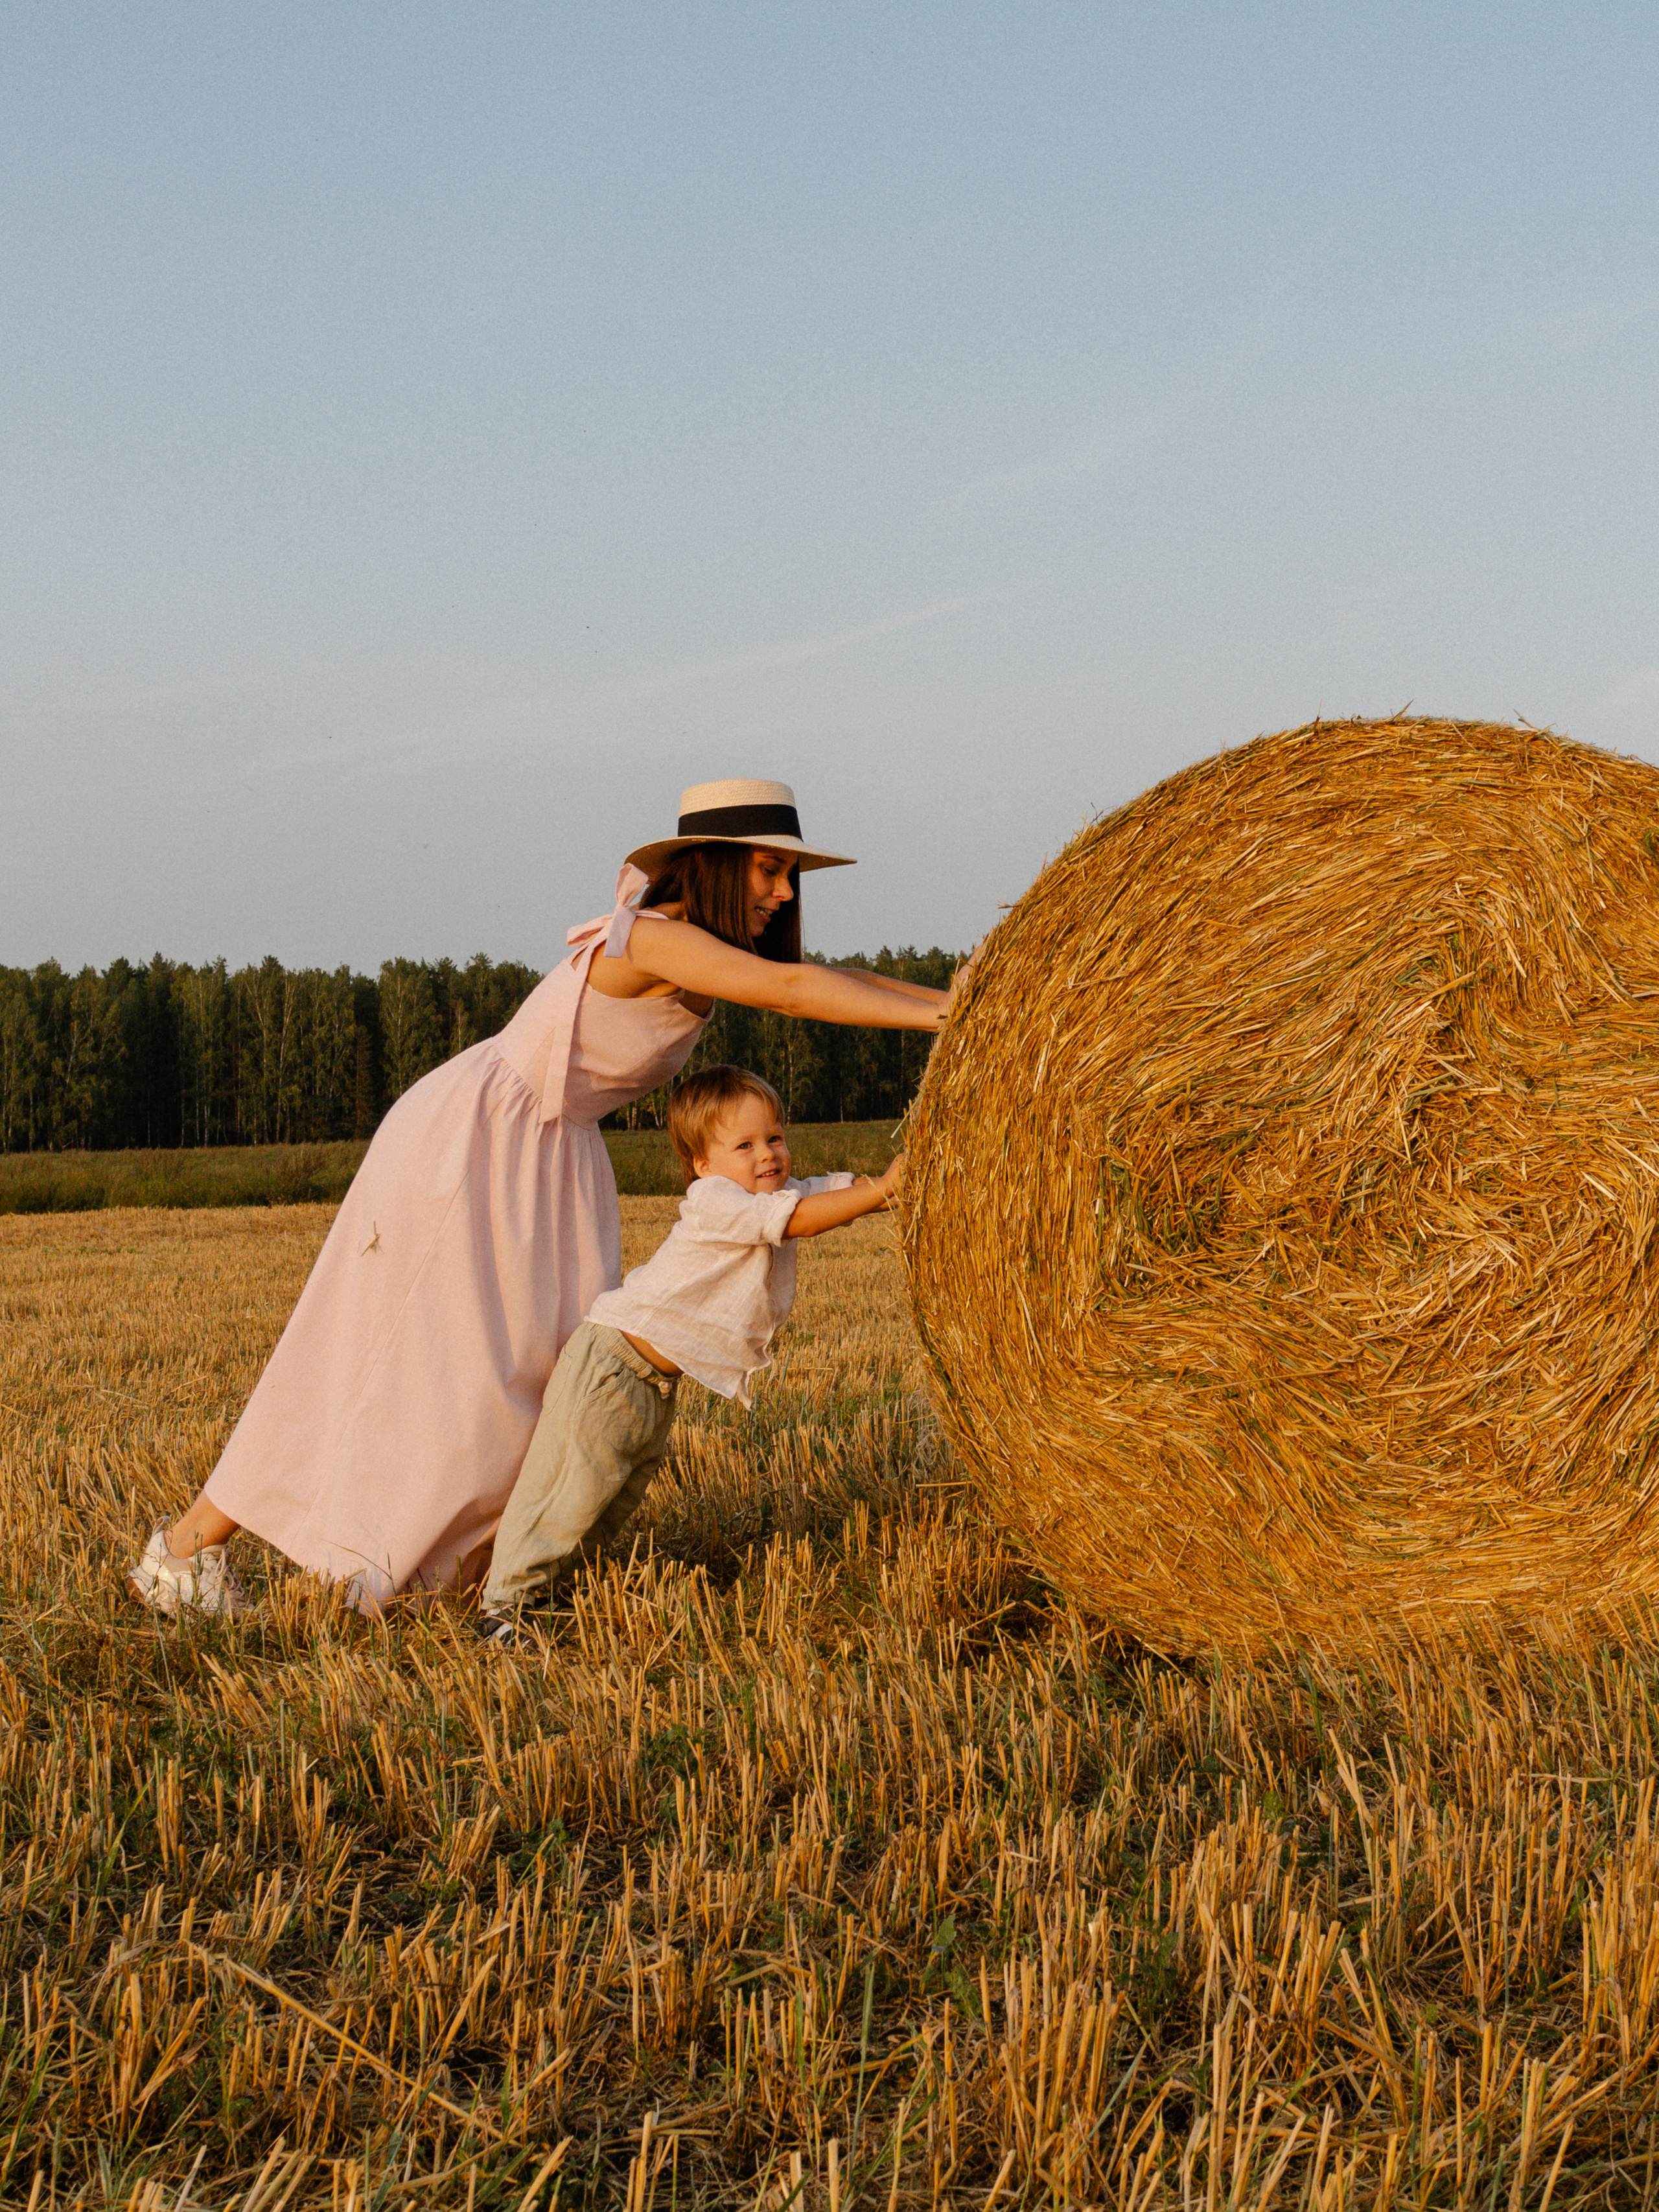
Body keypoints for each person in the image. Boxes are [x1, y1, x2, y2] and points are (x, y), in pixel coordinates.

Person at [129, 777, 955, 1618]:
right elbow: (793, 993)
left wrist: (964, 1006)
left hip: (550, 1154)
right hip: (478, 1142)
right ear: (712, 866)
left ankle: (452, 1576)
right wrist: (947, 1017)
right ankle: (187, 1549)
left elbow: (818, 974)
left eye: (791, 876)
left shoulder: (699, 951)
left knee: (519, 1387)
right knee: (373, 1356)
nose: (784, 892)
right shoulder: (654, 939)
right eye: (770, 870)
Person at [478, 1063, 903, 1645]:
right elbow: (799, 1218)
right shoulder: (717, 1201)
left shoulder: (773, 1192)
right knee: (568, 1494)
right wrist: (882, 1191)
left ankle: (552, 1594)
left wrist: (891, 1186)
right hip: (611, 1368)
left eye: (775, 1137)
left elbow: (825, 1194)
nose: (768, 1155)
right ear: (703, 1164)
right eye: (745, 1145)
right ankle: (505, 1609)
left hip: (652, 1384)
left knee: (610, 1499)